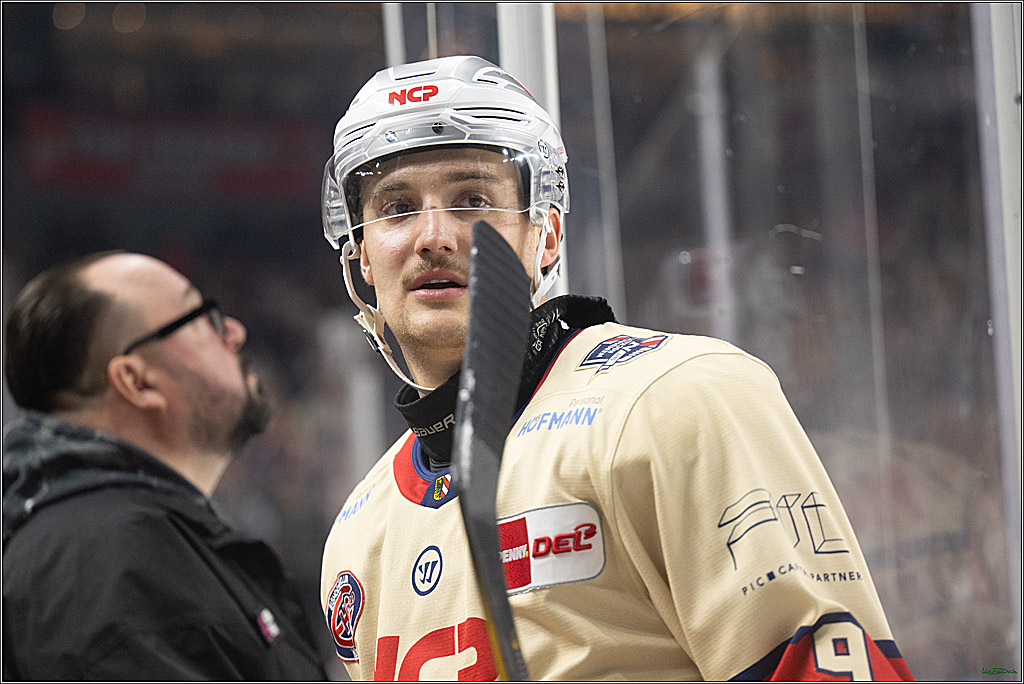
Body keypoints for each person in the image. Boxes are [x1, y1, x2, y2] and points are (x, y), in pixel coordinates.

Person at [318, 55, 914, 681]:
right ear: (360, 256)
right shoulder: (360, 539)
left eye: (473, 198)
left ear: (546, 235)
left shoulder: (679, 397)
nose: (433, 236)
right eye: (395, 208)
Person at [2, 251, 329, 681]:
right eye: (203, 318)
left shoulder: (135, 546)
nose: (234, 331)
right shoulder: (109, 566)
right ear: (137, 382)